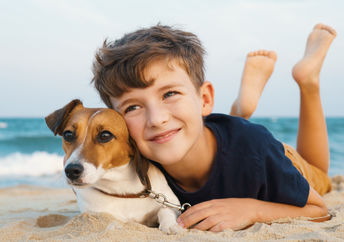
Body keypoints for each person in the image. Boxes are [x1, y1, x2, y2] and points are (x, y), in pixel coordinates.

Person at [91, 23, 337, 231]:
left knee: (321, 176)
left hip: (267, 152)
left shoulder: (256, 150)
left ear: (205, 99)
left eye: (170, 94)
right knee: (226, 141)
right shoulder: (135, 163)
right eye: (132, 107)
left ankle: (308, 81)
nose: (156, 119)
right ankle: (238, 113)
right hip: (221, 140)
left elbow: (319, 210)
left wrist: (252, 209)